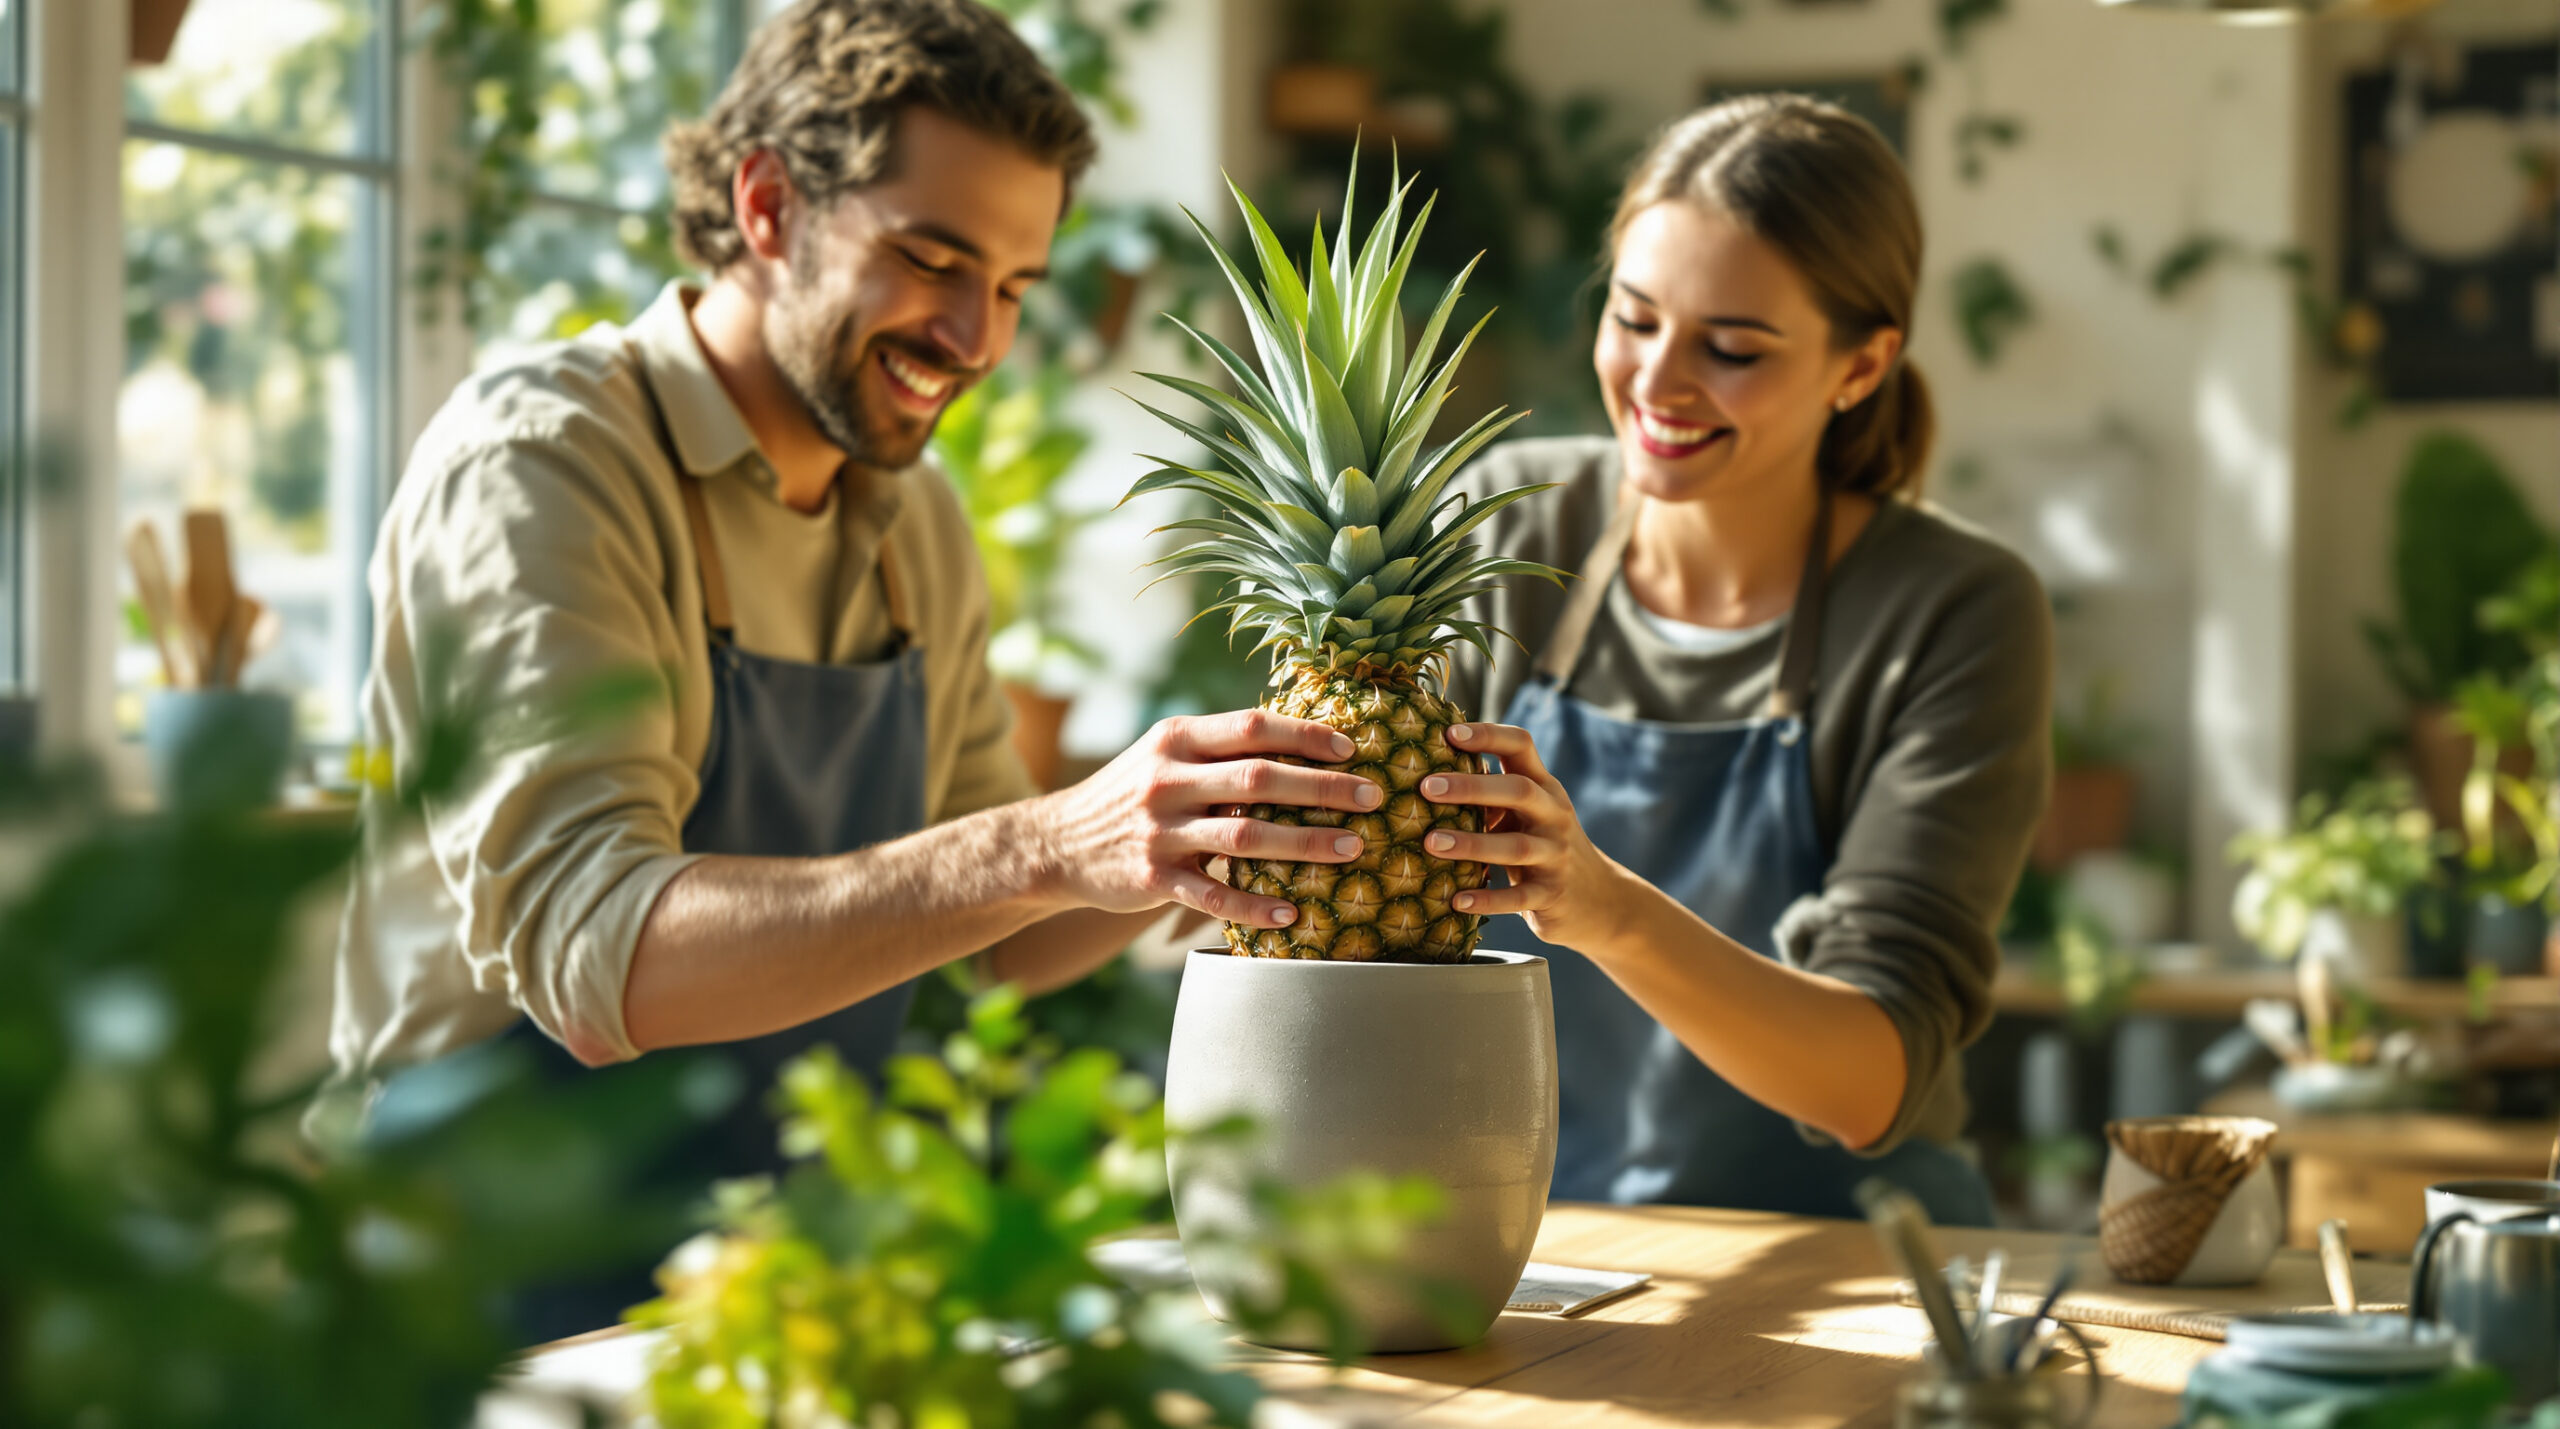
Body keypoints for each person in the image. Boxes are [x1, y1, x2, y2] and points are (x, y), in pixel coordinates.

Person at [331, 0, 1365, 1262]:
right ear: (767, 208)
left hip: (771, 1271)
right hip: (479, 1286)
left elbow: (998, 948)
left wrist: (1219, 839)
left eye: (1013, 286)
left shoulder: (911, 518)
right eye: (933, 262)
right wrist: (1048, 839)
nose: (977, 340)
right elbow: (604, 963)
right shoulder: (545, 464)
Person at [1432, 95, 2052, 1226]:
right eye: (1632, 318)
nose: (1658, 383)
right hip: (1524, 1242)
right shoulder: (1500, 528)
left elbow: (1870, 1077)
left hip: (1854, 1258)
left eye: (1730, 349)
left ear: (1859, 367)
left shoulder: (1950, 610)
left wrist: (1602, 906)